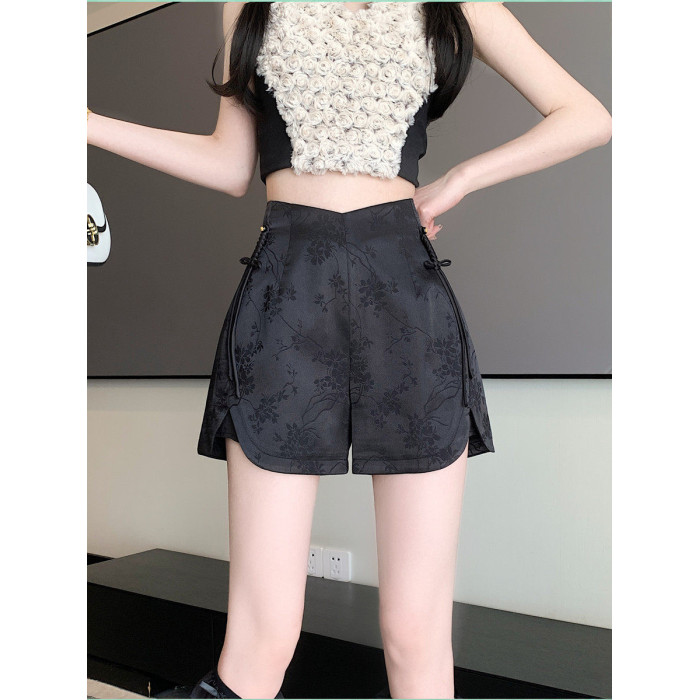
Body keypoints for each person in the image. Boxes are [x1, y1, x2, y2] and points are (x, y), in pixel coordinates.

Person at [87, 2, 611, 698]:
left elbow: (586, 116)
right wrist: (82, 122)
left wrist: (460, 179)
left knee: (415, 633)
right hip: (285, 300)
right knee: (261, 637)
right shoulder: (247, 4)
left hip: (407, 306)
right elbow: (231, 164)